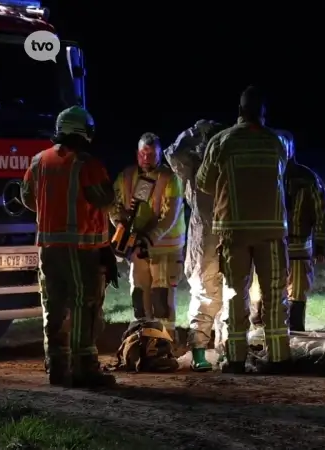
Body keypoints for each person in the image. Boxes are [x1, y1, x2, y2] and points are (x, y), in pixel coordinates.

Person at [196, 86, 291, 374]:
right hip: (272, 230)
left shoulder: (221, 141)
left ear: (239, 111)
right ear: (263, 113)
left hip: (234, 230)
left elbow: (203, 181)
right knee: (275, 294)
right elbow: (282, 173)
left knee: (235, 292)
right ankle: (278, 358)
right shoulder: (276, 141)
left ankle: (235, 358)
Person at [20, 105, 116, 387]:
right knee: (83, 306)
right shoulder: (88, 164)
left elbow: (28, 198)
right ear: (83, 131)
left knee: (54, 305)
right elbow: (104, 199)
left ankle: (58, 367)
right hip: (81, 251)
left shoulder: (38, 162)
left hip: (48, 248)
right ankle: (83, 367)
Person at [164, 119, 232, 371]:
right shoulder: (193, 166)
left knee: (231, 294)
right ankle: (199, 352)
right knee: (204, 293)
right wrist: (193, 132)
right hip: (204, 236)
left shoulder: (228, 162)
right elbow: (173, 154)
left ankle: (227, 350)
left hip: (228, 233)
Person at [249, 129, 325, 332]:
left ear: (292, 148)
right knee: (260, 292)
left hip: (298, 249)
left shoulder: (307, 178)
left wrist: (321, 244)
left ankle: (296, 335)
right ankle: (260, 334)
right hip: (267, 246)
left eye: (285, 145)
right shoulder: (262, 176)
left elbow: (322, 212)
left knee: (297, 293)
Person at [109, 133, 186, 344]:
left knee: (162, 298)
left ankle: (167, 344)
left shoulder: (170, 179)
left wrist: (148, 238)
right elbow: (113, 205)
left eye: (152, 154)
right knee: (139, 297)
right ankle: (141, 342)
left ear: (160, 154)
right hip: (138, 250)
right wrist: (121, 230)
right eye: (143, 153)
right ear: (137, 154)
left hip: (165, 250)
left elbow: (169, 216)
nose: (147, 158)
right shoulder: (126, 177)